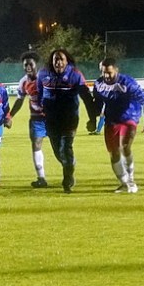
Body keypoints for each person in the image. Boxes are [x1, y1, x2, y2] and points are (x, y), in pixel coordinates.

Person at [36, 49, 97, 193]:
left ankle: (67, 179)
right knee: (58, 152)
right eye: (55, 59)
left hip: (69, 118)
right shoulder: (43, 74)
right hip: (51, 120)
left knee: (65, 148)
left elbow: (87, 98)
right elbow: (39, 93)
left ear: (66, 61)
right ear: (51, 61)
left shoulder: (75, 75)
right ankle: (70, 164)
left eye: (61, 59)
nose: (58, 62)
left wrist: (92, 119)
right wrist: (41, 108)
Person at [93, 58, 144, 193]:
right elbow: (97, 102)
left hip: (130, 117)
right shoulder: (98, 84)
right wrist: (93, 119)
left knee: (125, 146)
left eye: (109, 72)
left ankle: (131, 180)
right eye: (103, 73)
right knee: (114, 154)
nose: (106, 76)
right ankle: (124, 183)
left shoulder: (128, 83)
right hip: (111, 119)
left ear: (116, 70)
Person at [10, 51, 49, 188]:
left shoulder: (45, 77)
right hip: (36, 119)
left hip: (52, 117)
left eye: (30, 64)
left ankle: (68, 175)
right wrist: (10, 115)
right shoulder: (23, 82)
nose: (28, 66)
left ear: (35, 64)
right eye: (25, 64)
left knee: (59, 147)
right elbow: (19, 101)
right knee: (36, 145)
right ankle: (41, 178)